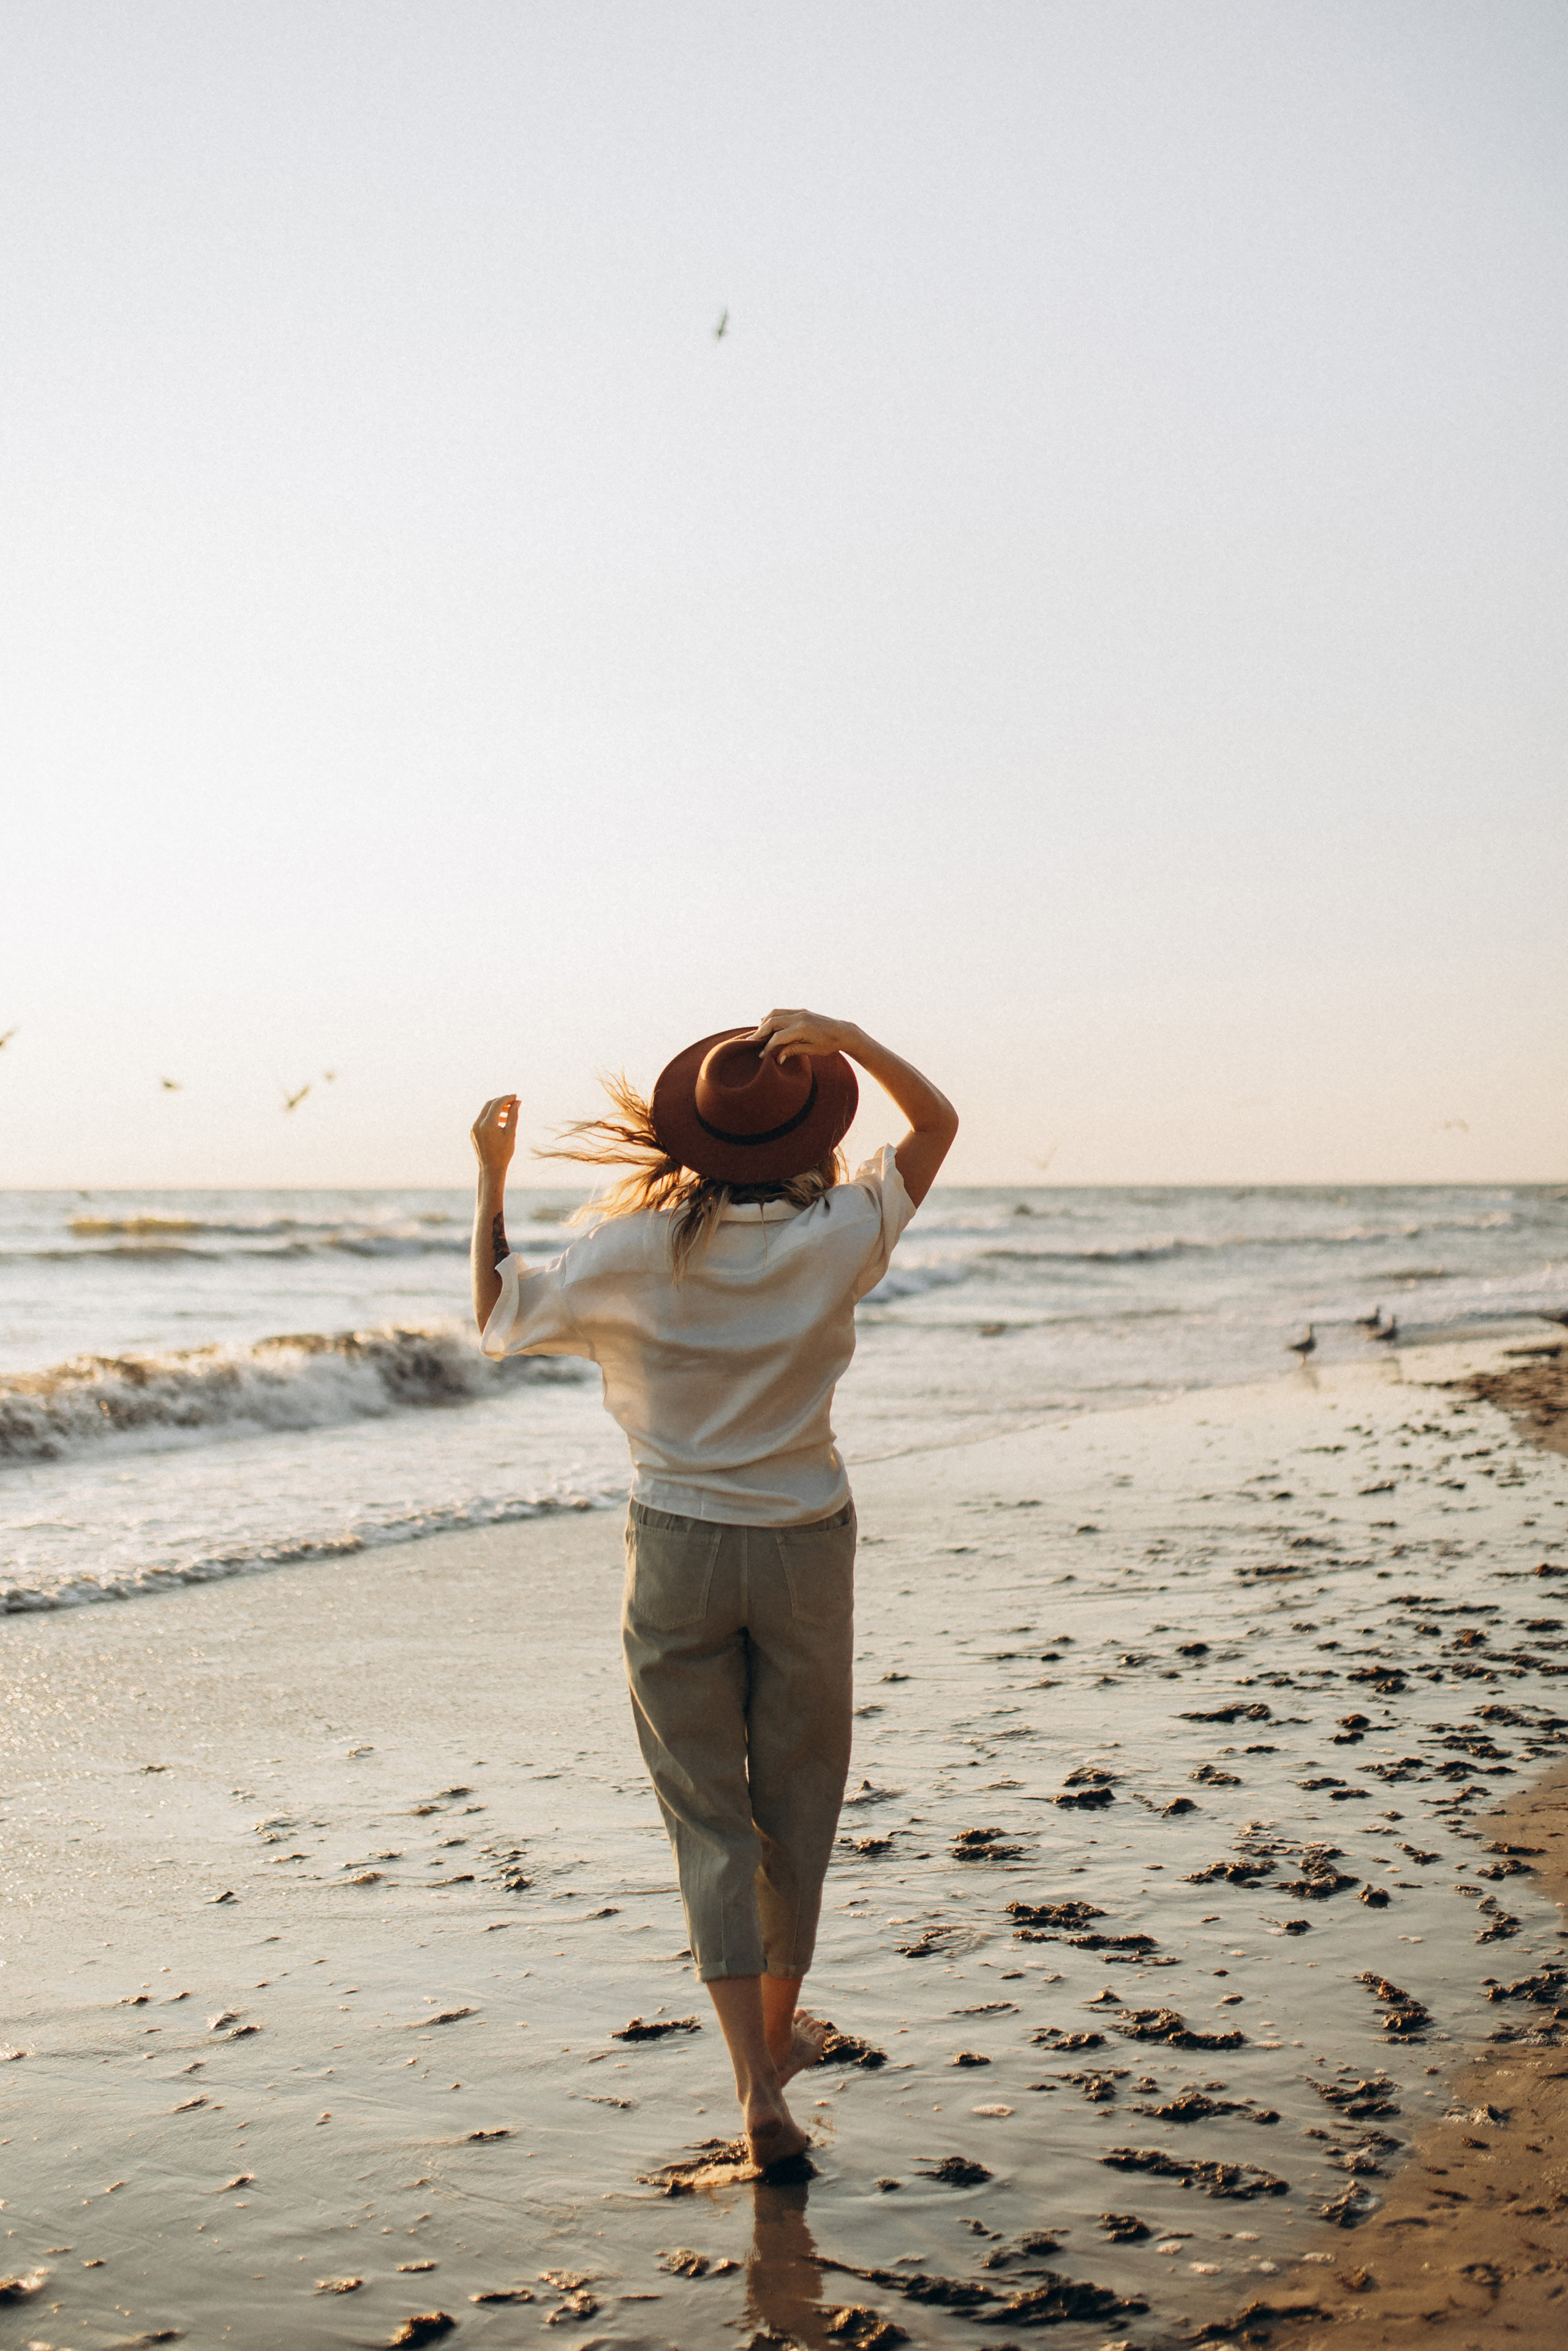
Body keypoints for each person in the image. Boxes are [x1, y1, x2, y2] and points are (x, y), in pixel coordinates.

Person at [469, 1009, 957, 2168]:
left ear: (687, 1138)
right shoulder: (842, 1229)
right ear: (810, 1131)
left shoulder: (624, 1251)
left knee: (706, 1813)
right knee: (800, 1796)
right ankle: (779, 2041)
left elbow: (496, 1315)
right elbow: (937, 1122)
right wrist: (849, 1033)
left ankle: (754, 2083)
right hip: (801, 1541)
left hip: (678, 1546)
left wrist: (490, 1178)